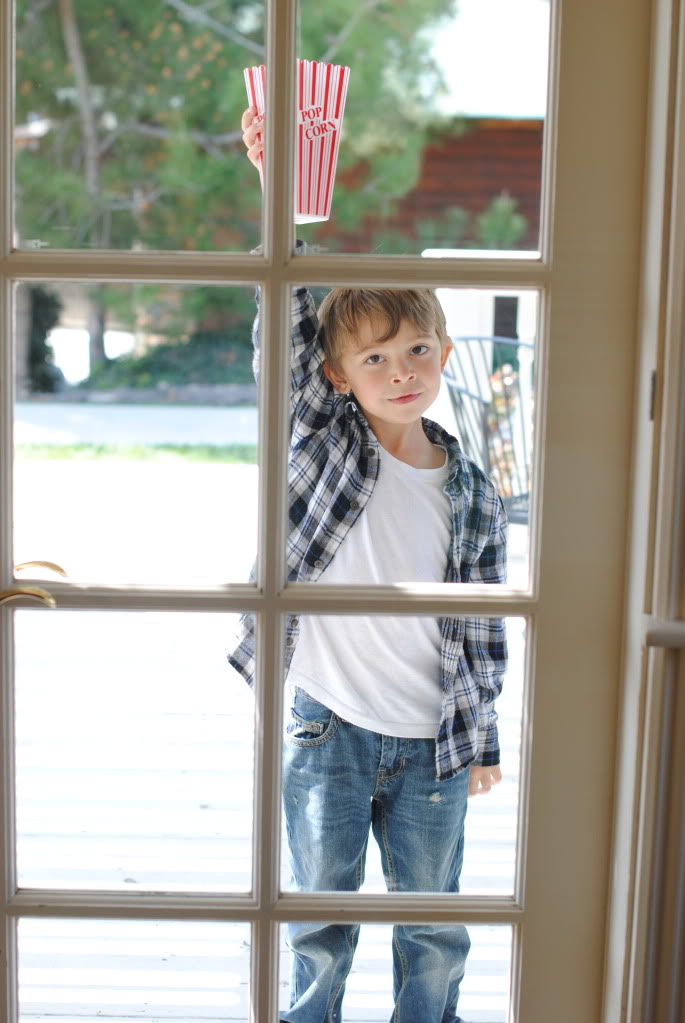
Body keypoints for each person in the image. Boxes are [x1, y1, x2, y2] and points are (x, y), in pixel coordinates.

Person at [228, 107, 508, 1023]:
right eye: (375, 357)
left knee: (432, 922)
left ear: (445, 355)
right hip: (331, 726)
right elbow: (284, 321)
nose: (400, 371)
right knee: (319, 913)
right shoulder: (323, 441)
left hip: (433, 738)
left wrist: (481, 737)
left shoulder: (468, 486)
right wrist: (280, 199)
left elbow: (484, 624)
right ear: (339, 375)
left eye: (417, 350)